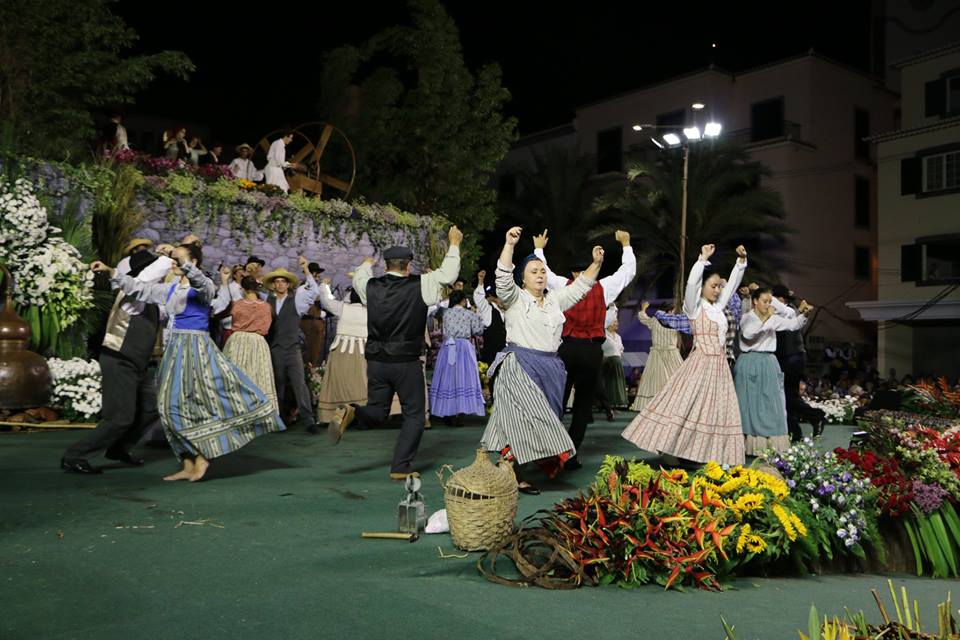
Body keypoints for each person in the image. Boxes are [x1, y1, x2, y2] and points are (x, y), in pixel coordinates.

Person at [91, 244, 284, 482]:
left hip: (196, 349)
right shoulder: (171, 289)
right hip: (175, 351)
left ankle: (201, 459)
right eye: (174, 260)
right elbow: (140, 289)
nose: (174, 263)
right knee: (168, 408)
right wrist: (112, 272)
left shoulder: (203, 287)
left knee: (200, 403)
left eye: (180, 259)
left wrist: (186, 266)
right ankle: (187, 461)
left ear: (193, 262)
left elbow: (201, 282)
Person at [330, 226, 463, 480]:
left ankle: (352, 411)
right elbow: (448, 274)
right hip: (406, 361)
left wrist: (367, 262)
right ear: (408, 265)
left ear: (387, 265)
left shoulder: (370, 286)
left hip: (376, 361)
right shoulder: (421, 284)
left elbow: (359, 276)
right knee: (414, 414)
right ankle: (400, 467)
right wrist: (454, 243)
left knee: (378, 411)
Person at [479, 227, 604, 494]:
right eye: (533, 271)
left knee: (540, 418)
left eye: (542, 271)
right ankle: (518, 474)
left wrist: (596, 264)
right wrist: (509, 245)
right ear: (522, 279)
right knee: (527, 418)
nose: (539, 274)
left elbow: (582, 286)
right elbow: (502, 277)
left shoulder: (555, 300)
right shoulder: (514, 297)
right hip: (519, 366)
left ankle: (509, 465)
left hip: (550, 368)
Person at [622, 244, 748, 467]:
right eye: (713, 286)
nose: (718, 290)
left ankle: (709, 454)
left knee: (714, 411)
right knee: (686, 406)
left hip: (719, 367)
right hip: (700, 364)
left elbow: (733, 285)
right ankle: (674, 449)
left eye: (719, 286)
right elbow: (691, 284)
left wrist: (740, 263)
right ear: (703, 287)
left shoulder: (718, 309)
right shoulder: (694, 307)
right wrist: (701, 260)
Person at [60, 251, 173, 474]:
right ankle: (75, 456)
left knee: (151, 408)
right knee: (120, 418)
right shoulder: (134, 294)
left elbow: (168, 307)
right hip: (119, 360)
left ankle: (118, 448)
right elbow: (150, 275)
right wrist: (171, 256)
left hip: (136, 364)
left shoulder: (149, 297)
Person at [533, 228, 635, 469]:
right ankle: (570, 455)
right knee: (581, 408)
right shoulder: (603, 288)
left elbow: (543, 272)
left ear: (572, 271)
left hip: (566, 349)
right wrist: (626, 245)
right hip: (591, 351)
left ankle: (549, 451)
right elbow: (627, 272)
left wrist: (539, 248)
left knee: (557, 403)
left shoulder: (562, 285)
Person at [735, 287, 813, 455]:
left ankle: (769, 444)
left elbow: (793, 325)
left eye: (770, 302)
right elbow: (749, 335)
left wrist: (804, 315)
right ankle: (748, 445)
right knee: (748, 405)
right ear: (755, 301)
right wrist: (767, 318)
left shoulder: (772, 317)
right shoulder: (747, 318)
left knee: (772, 403)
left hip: (768, 362)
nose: (768, 305)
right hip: (749, 362)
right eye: (765, 301)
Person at [264, 258, 321, 431]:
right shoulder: (267, 301)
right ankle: (279, 420)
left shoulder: (296, 300)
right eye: (277, 281)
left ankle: (308, 420)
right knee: (278, 384)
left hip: (293, 348)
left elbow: (313, 290)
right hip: (275, 348)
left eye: (283, 281)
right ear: (273, 285)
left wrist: (305, 269)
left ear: (288, 285)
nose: (280, 284)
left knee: (299, 384)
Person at [315, 276, 368, 428]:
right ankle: (361, 415)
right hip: (363, 353)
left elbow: (326, 300)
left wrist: (324, 285)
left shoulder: (343, 308)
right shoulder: (374, 312)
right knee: (362, 383)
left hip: (342, 352)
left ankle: (337, 413)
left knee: (339, 383)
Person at [222, 274, 278, 413]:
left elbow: (222, 316)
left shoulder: (237, 305)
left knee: (237, 376)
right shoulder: (266, 307)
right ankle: (260, 411)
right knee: (258, 376)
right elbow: (271, 324)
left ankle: (235, 411)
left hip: (238, 341)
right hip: (258, 341)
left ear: (242, 288)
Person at [429, 289, 486, 424]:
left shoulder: (445, 313)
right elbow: (479, 330)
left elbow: (435, 314)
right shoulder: (469, 314)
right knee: (464, 378)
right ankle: (460, 413)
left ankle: (448, 411)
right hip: (464, 347)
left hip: (448, 347)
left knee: (448, 379)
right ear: (463, 300)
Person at [632, 301, 683, 411]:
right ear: (670, 310)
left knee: (654, 380)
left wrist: (643, 309)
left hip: (657, 354)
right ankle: (673, 406)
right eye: (674, 310)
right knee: (675, 379)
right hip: (671, 354)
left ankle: (655, 406)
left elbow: (643, 318)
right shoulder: (675, 321)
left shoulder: (655, 321)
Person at [473, 269, 506, 366]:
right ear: (496, 298)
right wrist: (480, 281)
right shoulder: (488, 309)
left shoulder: (506, 312)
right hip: (491, 353)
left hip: (504, 352)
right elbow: (479, 299)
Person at [300, 262, 328, 370]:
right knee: (310, 347)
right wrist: (323, 288)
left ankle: (312, 368)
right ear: (314, 273)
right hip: (309, 321)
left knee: (316, 348)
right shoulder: (306, 286)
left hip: (316, 321)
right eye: (318, 274)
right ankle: (308, 369)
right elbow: (314, 298)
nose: (319, 277)